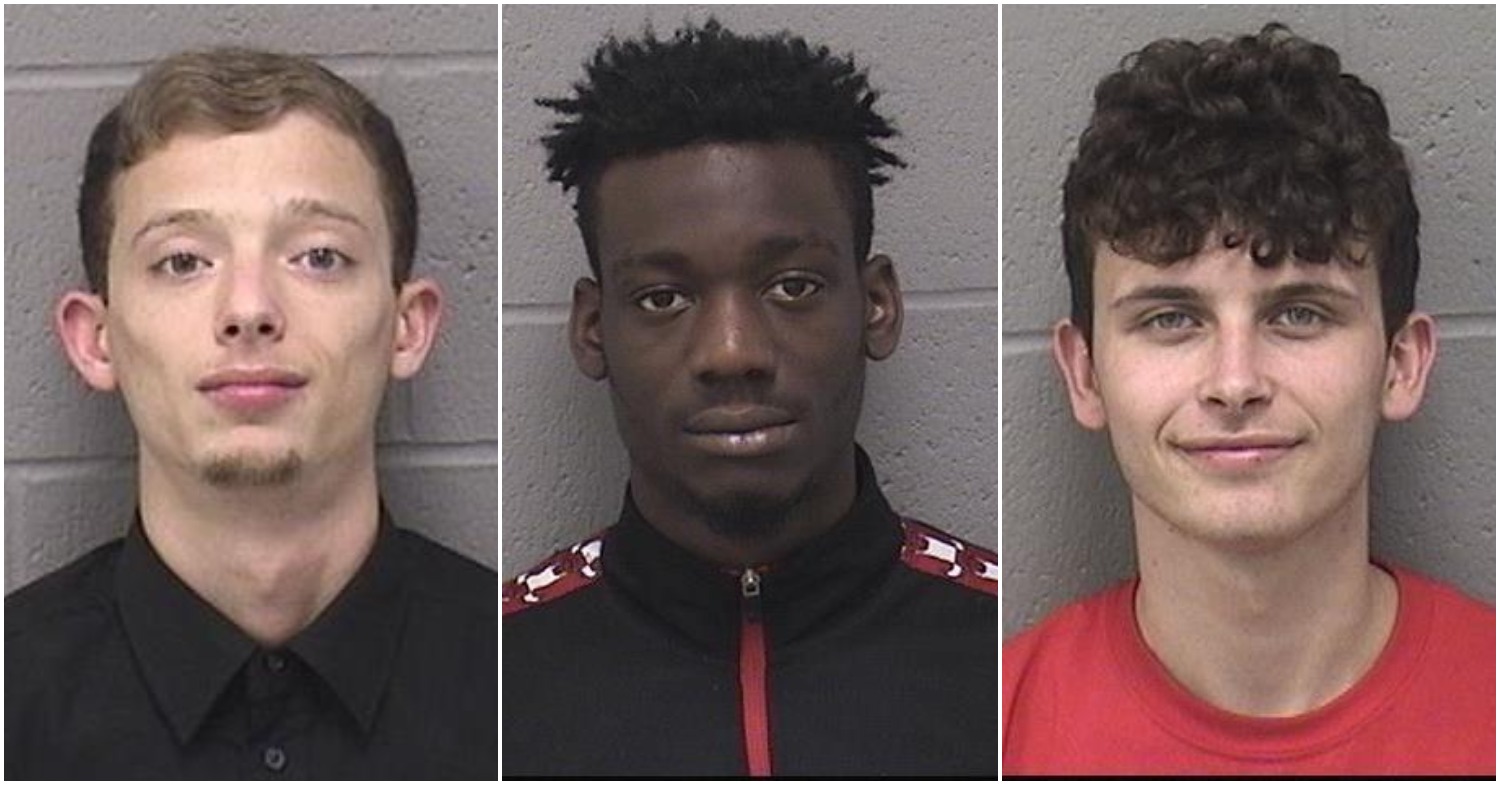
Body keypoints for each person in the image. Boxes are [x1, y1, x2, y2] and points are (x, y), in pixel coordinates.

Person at [502, 19, 997, 777]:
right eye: (663, 298)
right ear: (594, 329)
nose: (732, 352)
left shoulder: (1006, 654)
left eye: (792, 286)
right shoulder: (491, 678)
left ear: (877, 305)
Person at [1003, 24, 1494, 775]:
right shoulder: (991, 727)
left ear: (1401, 364)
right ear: (1085, 373)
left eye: (1299, 314)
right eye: (1171, 319)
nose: (1235, 383)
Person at [5, 48, 496, 779]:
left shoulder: (529, 683)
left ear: (407, 326)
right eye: (182, 261)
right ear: (95, 340)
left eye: (319, 256)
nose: (249, 309)